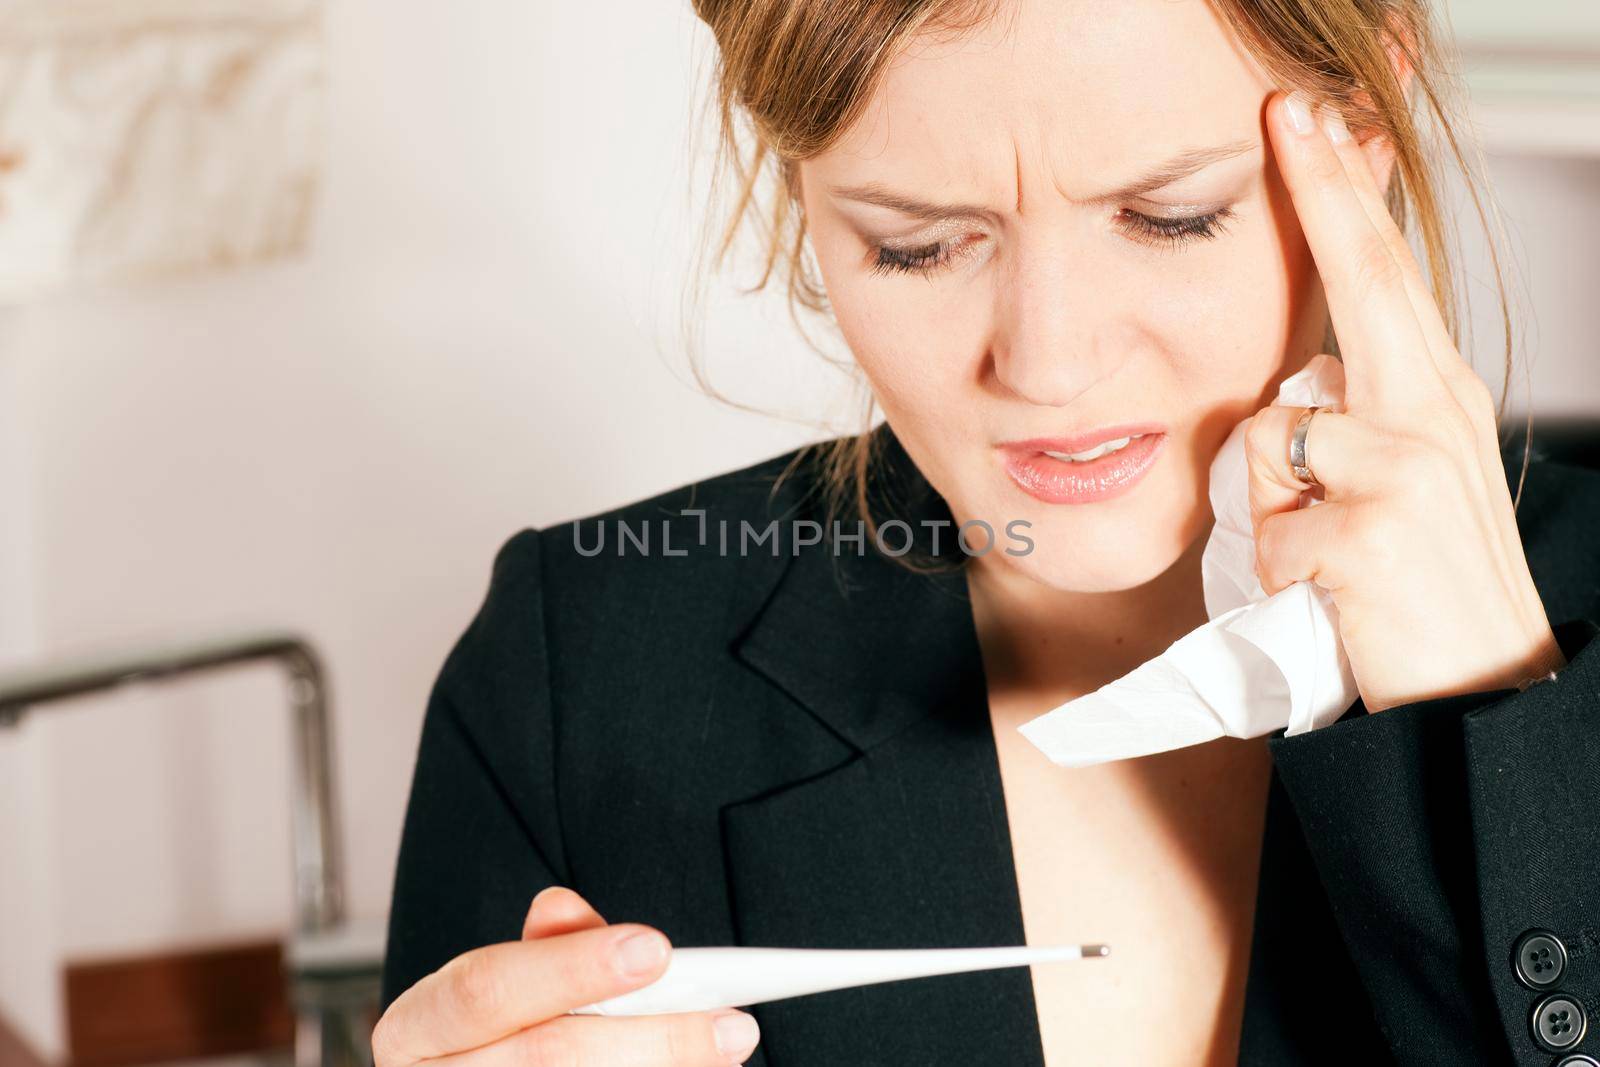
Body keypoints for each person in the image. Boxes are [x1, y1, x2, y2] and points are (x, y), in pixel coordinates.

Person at [371, 0, 1600, 1064]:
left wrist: (1500, 718)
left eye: (1169, 214)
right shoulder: (576, 671)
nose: (1050, 364)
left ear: (1367, 125)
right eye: (918, 243)